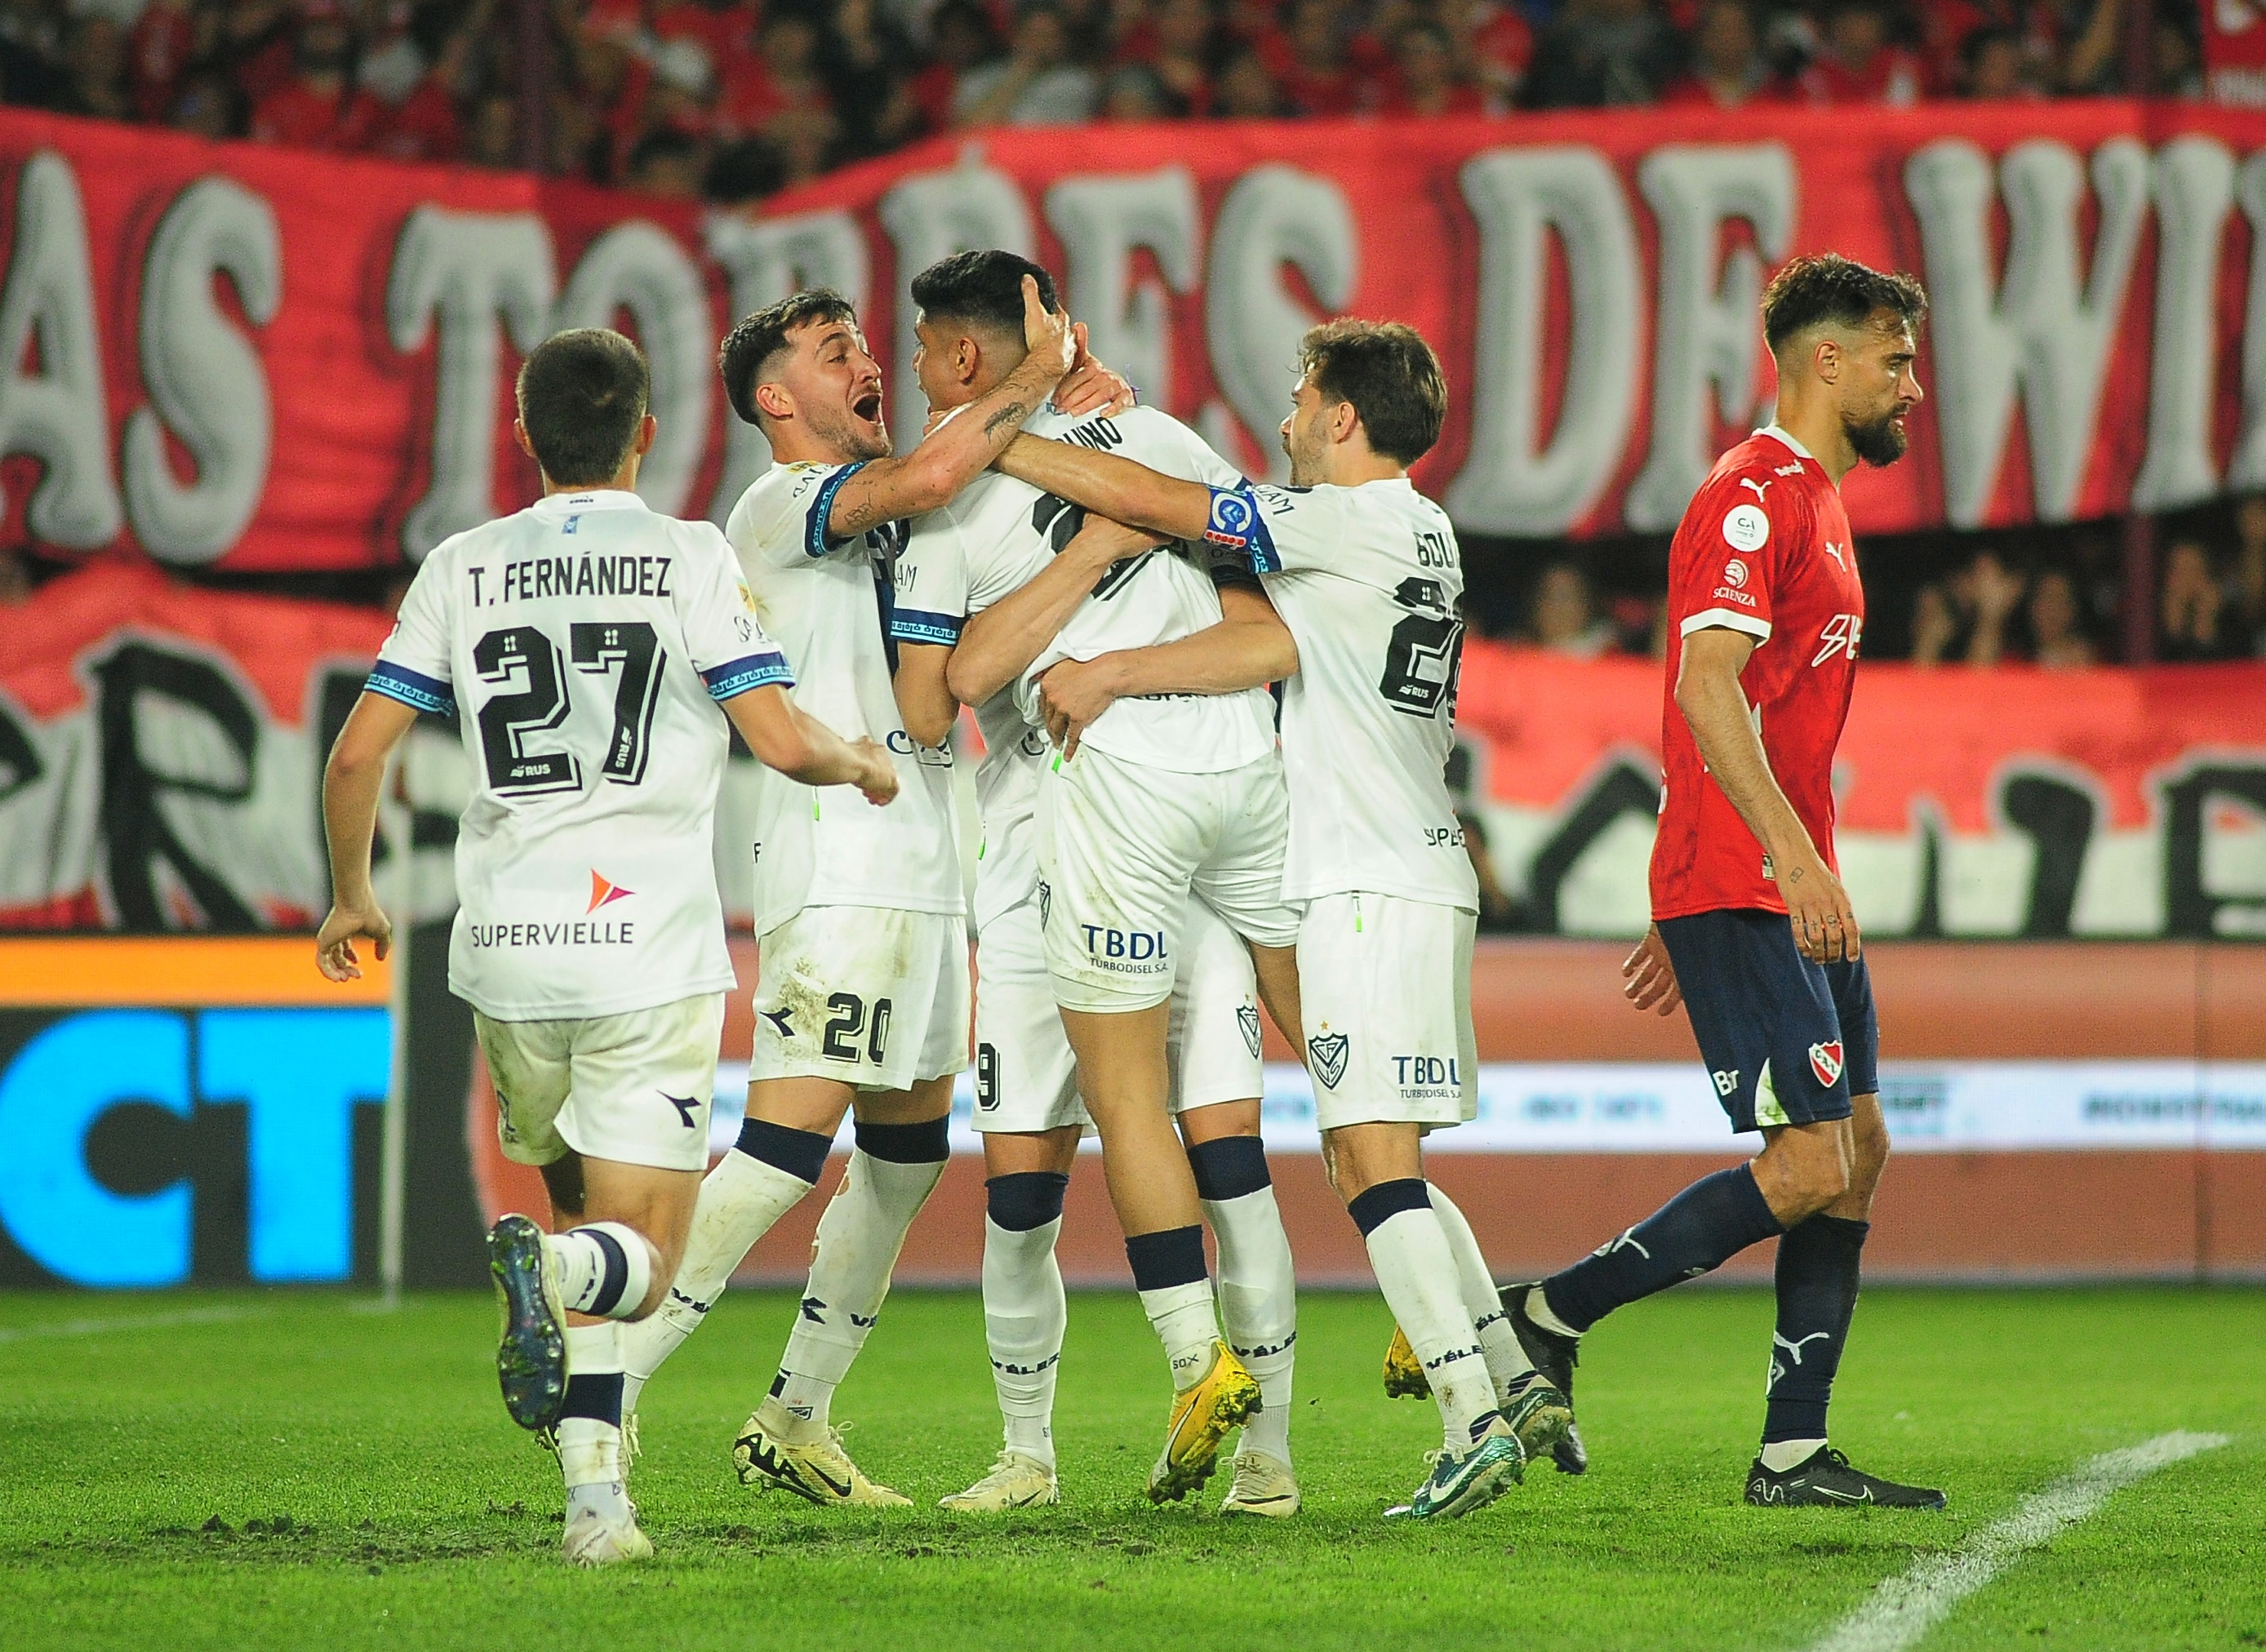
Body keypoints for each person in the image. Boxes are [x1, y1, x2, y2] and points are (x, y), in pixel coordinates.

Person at [315, 327, 897, 1565]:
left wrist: (351, 898)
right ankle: (559, 1274)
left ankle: (597, 1511)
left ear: (524, 435)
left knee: (579, 1198)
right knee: (639, 1252)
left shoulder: (461, 567)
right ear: (645, 432)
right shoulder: (688, 555)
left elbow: (360, 751)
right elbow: (783, 742)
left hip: (509, 951)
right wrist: (858, 761)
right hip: (646, 948)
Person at [984, 318, 1573, 1521]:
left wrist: (1007, 443)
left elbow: (1166, 497)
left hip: (1361, 882)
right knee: (1386, 1149)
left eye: (1305, 401)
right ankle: (1511, 1376)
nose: (1290, 422)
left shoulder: (1336, 521)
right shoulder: (1426, 526)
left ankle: (1467, 1418)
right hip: (1423, 868)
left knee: (1365, 1160)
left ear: (1346, 419)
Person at [611, 281, 1123, 1507]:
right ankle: (609, 1379)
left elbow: (970, 492)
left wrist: (1075, 402)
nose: (863, 363)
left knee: (902, 1152)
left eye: (861, 345)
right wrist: (1027, 371)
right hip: (844, 860)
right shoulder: (781, 503)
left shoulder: (903, 507)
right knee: (786, 1146)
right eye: (833, 351)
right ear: (777, 401)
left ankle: (797, 1413)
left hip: (929, 859)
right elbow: (929, 482)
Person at [1522, 253, 1947, 1508]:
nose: (1911, 387)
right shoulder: (1751, 496)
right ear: (1828, 361)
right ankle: (1550, 1312)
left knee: (1857, 1147)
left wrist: (1704, 867)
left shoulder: (1815, 499)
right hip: (1767, 880)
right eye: (1894, 360)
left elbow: (1734, 706)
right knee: (1810, 1163)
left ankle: (1792, 1452)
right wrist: (1756, 863)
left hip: (1772, 875)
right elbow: (1704, 686)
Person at [886, 250, 1304, 1517]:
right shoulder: (943, 505)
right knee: (1021, 1186)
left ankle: (1264, 1457)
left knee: (1230, 1154)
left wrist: (1123, 664)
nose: (911, 369)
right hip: (1031, 846)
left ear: (967, 355)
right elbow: (958, 684)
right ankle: (1029, 1455)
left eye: (922, 347)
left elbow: (1266, 629)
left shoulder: (1157, 439)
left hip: (1175, 830)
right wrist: (1090, 561)